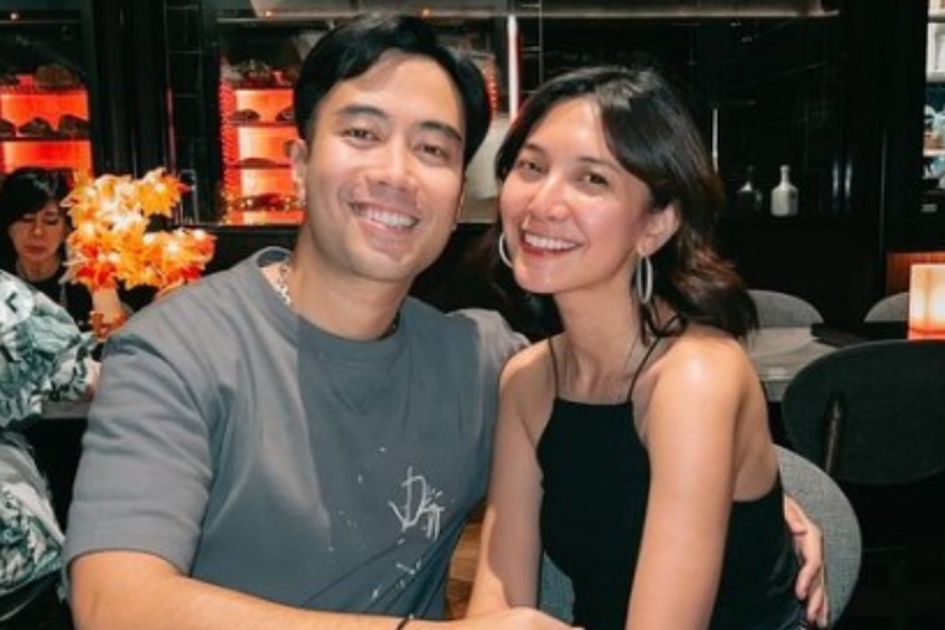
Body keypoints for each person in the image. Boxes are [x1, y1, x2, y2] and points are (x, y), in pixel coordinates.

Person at [64, 16, 824, 630]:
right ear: (296, 162)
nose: (395, 172)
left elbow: (635, 427)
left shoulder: (474, 358)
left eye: (431, 148)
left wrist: (756, 505)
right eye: (362, 134)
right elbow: (112, 604)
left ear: (458, 193)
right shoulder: (177, 350)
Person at [467, 65, 829, 629]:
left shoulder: (696, 378)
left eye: (592, 179)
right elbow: (496, 608)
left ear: (655, 225)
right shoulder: (528, 379)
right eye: (531, 167)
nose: (542, 202)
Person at [0, 167, 92, 328]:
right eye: (26, 219)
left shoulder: (87, 281)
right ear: (8, 225)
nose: (37, 232)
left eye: (51, 221)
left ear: (67, 230)